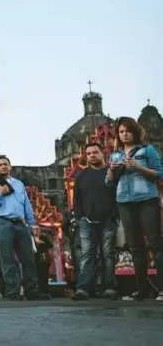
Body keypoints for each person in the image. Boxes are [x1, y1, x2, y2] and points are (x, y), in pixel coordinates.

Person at [106, 116, 163, 302]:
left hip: (146, 198)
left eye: (127, 131)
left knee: (155, 243)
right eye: (121, 132)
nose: (124, 134)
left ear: (135, 132)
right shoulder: (116, 155)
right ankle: (141, 289)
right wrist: (113, 169)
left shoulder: (148, 150)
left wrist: (138, 166)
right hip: (124, 201)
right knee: (135, 246)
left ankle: (161, 288)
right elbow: (108, 181)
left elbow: (159, 173)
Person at [0, 156, 44, 301]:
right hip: (3, 222)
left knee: (28, 257)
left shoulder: (19, 184)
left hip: (20, 223)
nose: (3, 167)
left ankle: (32, 290)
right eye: (0, 165)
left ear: (10, 167)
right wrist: (0, 193)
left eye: (5, 164)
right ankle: (12, 290)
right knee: (7, 258)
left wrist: (32, 222)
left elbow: (26, 204)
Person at [72, 142, 118, 300]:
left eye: (95, 152)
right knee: (87, 255)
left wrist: (114, 214)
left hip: (108, 219)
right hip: (86, 220)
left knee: (108, 254)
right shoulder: (81, 175)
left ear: (102, 153)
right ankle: (83, 288)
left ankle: (109, 287)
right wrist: (79, 216)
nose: (92, 155)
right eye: (89, 153)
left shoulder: (112, 172)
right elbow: (76, 198)